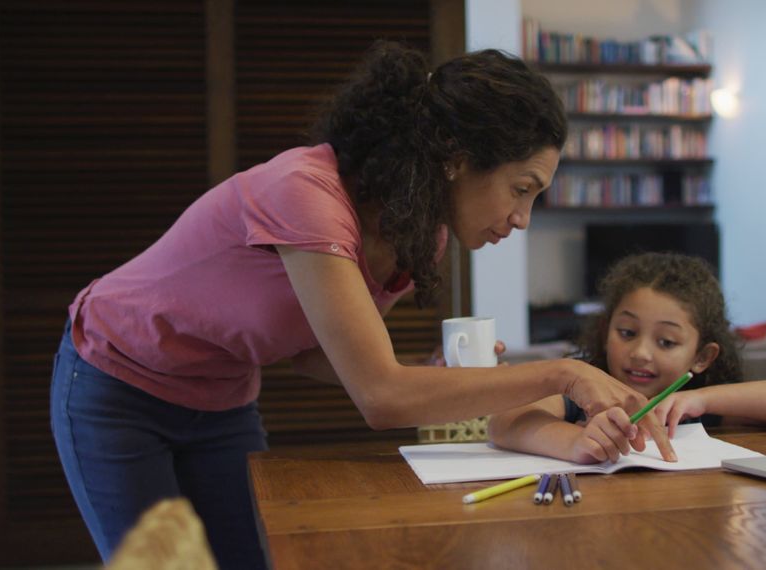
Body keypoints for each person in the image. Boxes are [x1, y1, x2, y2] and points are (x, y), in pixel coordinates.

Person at [50, 41, 674, 569]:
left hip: (221, 397)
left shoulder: (413, 232)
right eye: (521, 189)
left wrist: (431, 377)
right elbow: (380, 398)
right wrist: (563, 372)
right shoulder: (305, 194)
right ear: (457, 159)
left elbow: (317, 360)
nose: (521, 218)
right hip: (116, 385)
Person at [488, 252, 766, 464]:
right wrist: (575, 442)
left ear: (703, 357)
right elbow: (504, 422)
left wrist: (702, 398)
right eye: (626, 333)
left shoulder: (699, 403)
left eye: (667, 341)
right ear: (604, 331)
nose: (641, 353)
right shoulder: (584, 388)